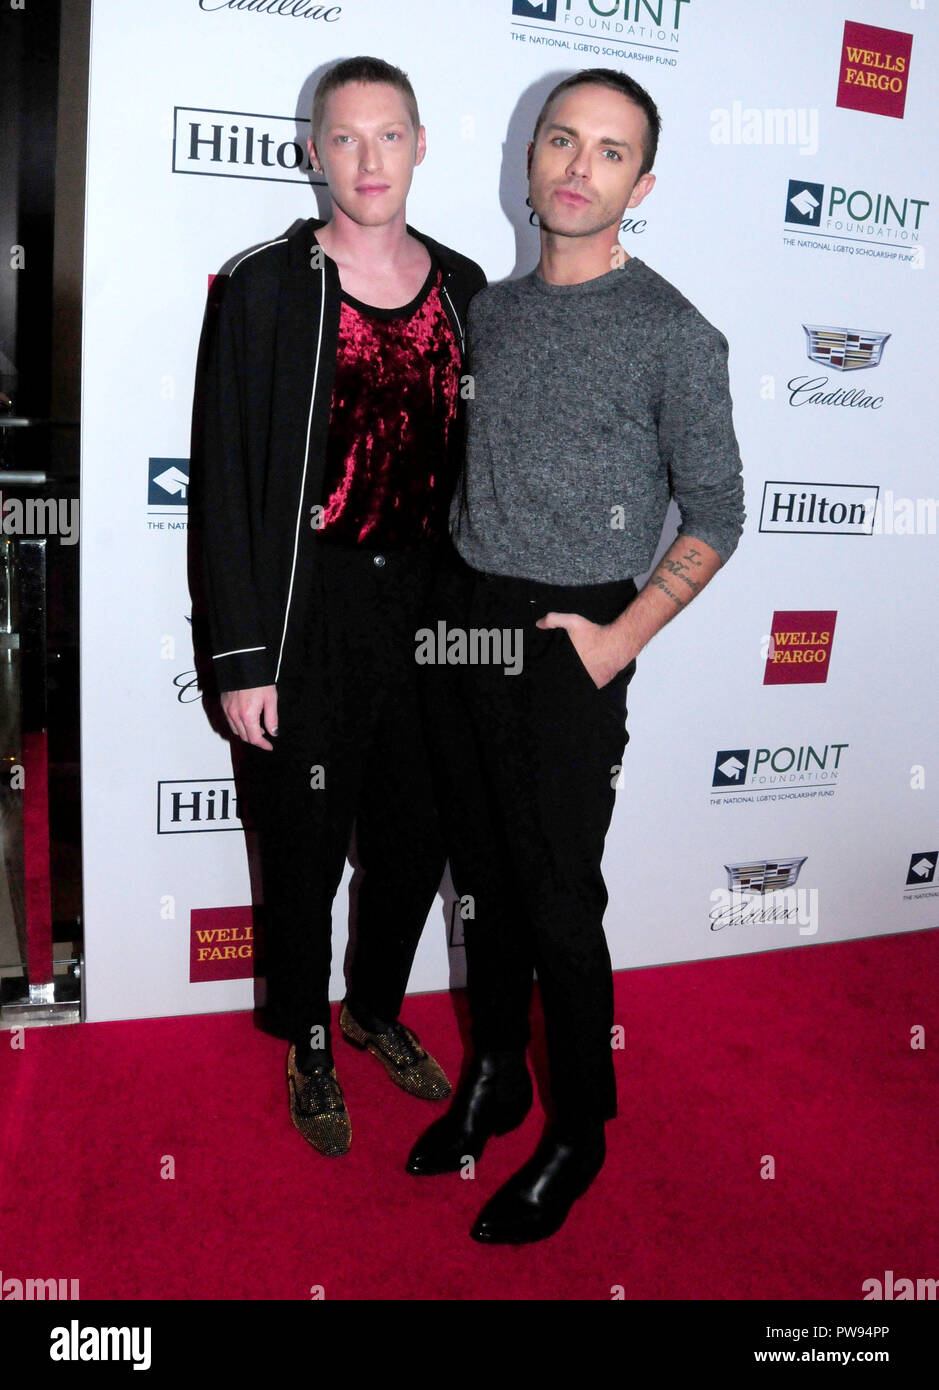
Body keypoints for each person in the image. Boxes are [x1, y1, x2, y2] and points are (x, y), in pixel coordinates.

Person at [407, 69, 745, 1241]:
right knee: (486, 886)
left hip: (573, 636)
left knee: (557, 901)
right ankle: (497, 1072)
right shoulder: (489, 314)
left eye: (609, 152)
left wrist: (619, 640)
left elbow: (717, 512)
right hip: (464, 618)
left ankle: (579, 1129)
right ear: (531, 156)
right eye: (564, 139)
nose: (578, 166)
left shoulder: (673, 333)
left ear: (638, 184)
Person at [198, 56, 486, 1157]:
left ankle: (372, 1007)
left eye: (390, 136)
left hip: (433, 611)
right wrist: (241, 656)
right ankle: (307, 1034)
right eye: (346, 139)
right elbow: (225, 477)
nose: (369, 161)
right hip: (309, 612)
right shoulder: (268, 288)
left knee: (415, 839)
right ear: (313, 153)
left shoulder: (465, 286)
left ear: (420, 145)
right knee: (306, 843)